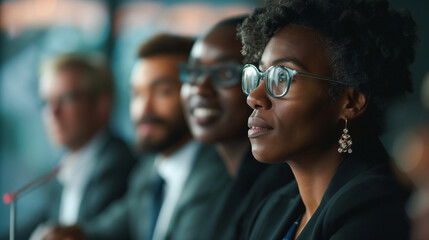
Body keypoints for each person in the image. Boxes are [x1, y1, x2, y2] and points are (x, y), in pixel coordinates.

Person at [237, 0, 418, 239]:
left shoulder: (377, 207)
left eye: (282, 76)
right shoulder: (272, 209)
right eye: (260, 74)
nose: (254, 97)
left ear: (351, 102)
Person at [44, 33, 229, 240]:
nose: (144, 110)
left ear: (194, 93)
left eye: (163, 92)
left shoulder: (216, 171)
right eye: (137, 94)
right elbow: (108, 228)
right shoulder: (148, 171)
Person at [180, 15, 294, 240]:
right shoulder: (210, 174)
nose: (201, 89)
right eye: (194, 72)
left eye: (226, 73)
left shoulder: (278, 188)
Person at [28, 54, 136, 239]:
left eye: (67, 98)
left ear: (102, 105)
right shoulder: (60, 170)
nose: (52, 113)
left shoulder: (118, 163)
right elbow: (37, 224)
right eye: (46, 101)